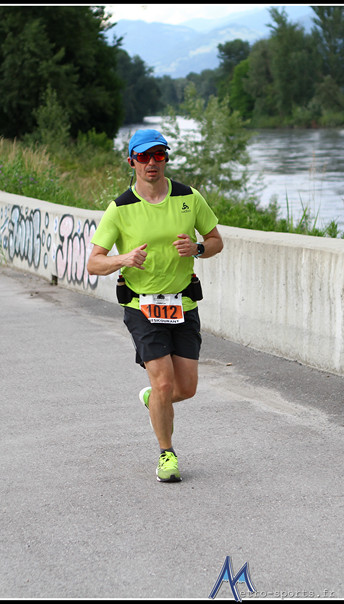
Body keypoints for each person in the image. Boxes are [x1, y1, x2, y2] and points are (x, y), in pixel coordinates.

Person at [87, 129, 223, 483]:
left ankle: (154, 398)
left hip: (184, 302)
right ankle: (167, 453)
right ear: (131, 161)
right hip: (141, 306)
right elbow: (94, 263)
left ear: (166, 159)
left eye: (158, 155)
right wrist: (124, 259)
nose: (152, 163)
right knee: (164, 383)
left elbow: (215, 240)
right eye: (144, 157)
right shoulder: (120, 208)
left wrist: (197, 249)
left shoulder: (188, 197)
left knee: (186, 388)